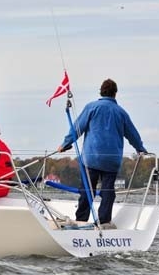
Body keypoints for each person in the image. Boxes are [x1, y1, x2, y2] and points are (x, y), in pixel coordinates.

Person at [58, 78, 147, 225]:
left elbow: (77, 129)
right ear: (115, 94)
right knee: (107, 191)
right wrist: (140, 149)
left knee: (87, 190)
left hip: (91, 158)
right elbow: (133, 135)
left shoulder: (91, 107)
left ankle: (81, 220)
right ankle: (104, 221)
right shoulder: (121, 113)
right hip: (111, 161)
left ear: (101, 91)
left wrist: (65, 144)